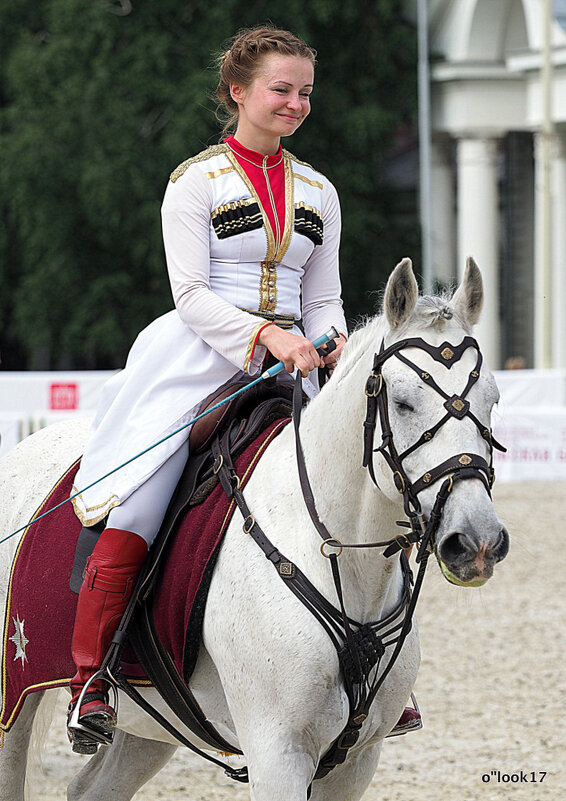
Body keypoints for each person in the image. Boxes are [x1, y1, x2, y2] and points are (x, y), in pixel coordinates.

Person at [67, 24, 419, 754]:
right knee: (138, 495)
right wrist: (266, 336)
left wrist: (332, 340)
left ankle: (387, 673)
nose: (295, 103)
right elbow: (190, 293)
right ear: (239, 92)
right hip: (200, 355)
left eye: (305, 93)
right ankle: (92, 675)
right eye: (281, 90)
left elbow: (323, 295)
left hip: (299, 360)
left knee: (373, 484)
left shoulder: (320, 190)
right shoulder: (194, 182)